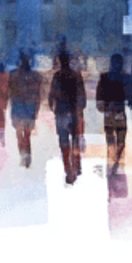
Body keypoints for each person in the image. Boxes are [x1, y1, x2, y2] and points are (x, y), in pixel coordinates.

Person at [48, 51, 86, 185]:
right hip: (74, 112)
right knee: (75, 140)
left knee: (64, 142)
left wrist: (51, 106)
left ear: (60, 61)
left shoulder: (57, 76)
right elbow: (82, 94)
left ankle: (68, 169)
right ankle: (76, 165)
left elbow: (52, 94)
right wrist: (81, 108)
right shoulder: (75, 75)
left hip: (61, 113)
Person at [97, 53, 129, 177]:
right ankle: (117, 164)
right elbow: (130, 93)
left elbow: (99, 96)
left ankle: (113, 164)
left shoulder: (104, 77)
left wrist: (103, 107)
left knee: (111, 139)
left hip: (109, 112)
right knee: (120, 139)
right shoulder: (124, 77)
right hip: (119, 112)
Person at [8, 53, 42, 167]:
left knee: (19, 133)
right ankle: (26, 155)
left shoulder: (13, 75)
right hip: (30, 108)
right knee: (27, 134)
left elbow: (10, 92)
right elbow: (38, 94)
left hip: (17, 107)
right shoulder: (36, 76)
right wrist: (36, 109)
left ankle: (23, 154)